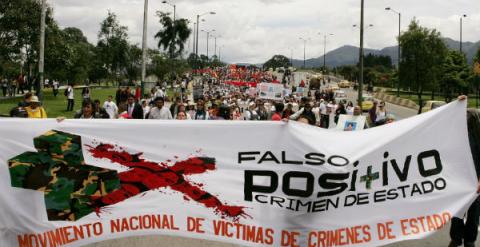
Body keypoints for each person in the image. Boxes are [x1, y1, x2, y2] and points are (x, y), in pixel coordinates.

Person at [449, 97, 480, 247]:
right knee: (457, 212)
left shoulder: (477, 137)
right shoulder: (456, 137)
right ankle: (456, 238)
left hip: (476, 181)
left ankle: (469, 240)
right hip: (459, 180)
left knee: (474, 213)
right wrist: (459, 102)